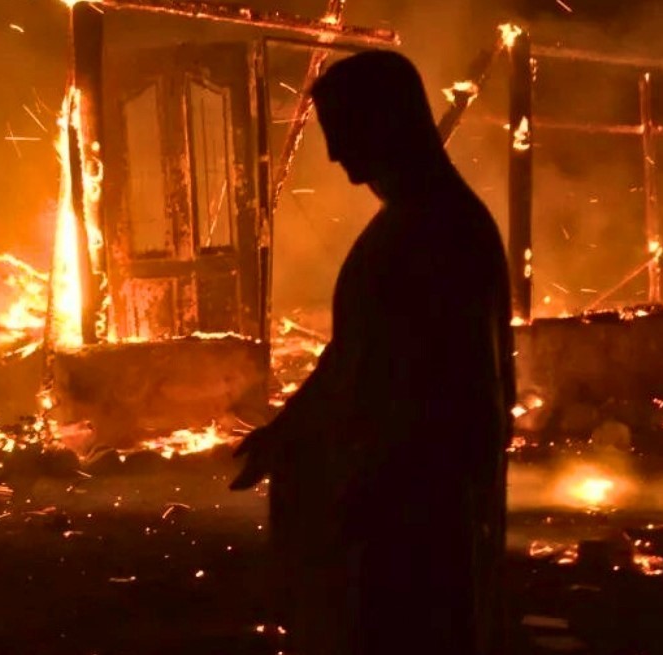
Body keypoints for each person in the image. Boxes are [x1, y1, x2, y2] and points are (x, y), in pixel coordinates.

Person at [231, 50, 516, 655]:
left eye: (343, 129)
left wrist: (383, 489)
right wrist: (290, 431)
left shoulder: (440, 233)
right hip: (388, 511)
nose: (334, 155)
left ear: (389, 121)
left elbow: (454, 389)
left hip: (417, 522)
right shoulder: (411, 225)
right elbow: (354, 352)